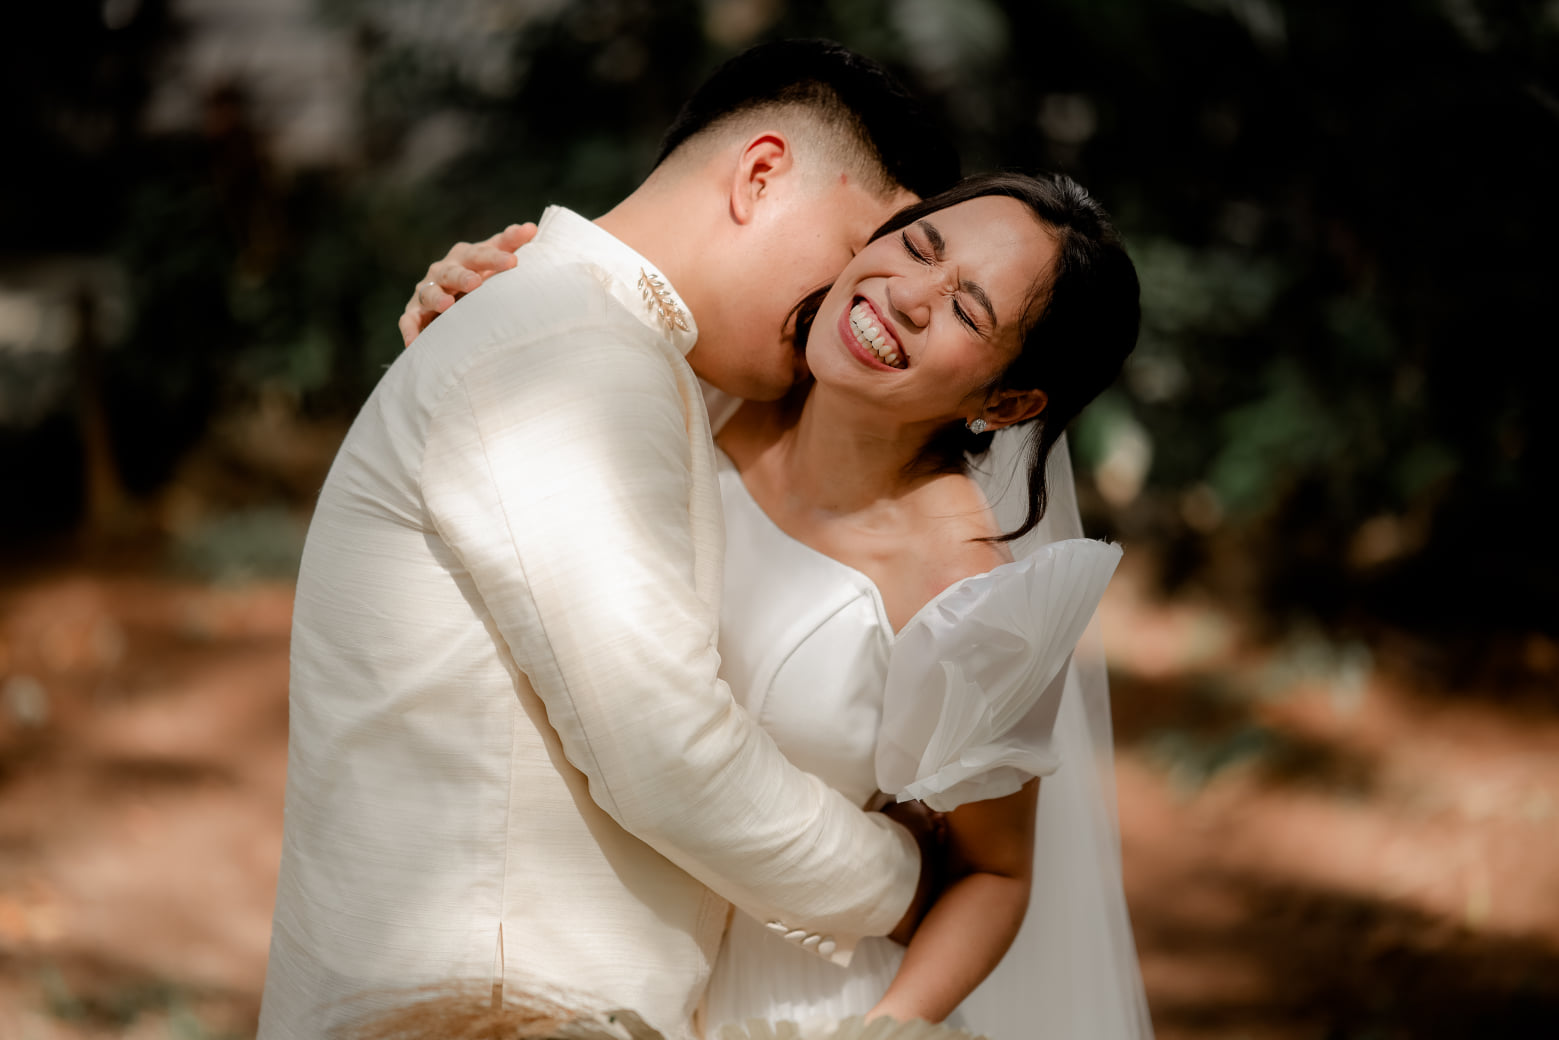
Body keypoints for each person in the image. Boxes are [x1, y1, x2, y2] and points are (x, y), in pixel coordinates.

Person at [258, 40, 962, 1040]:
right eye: (857, 249)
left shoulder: (588, 335)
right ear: (761, 175)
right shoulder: (573, 348)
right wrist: (906, 878)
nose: (854, 297)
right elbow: (666, 751)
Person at [406, 173, 1155, 1038]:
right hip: (573, 936)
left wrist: (886, 1026)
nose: (909, 297)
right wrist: (468, 308)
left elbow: (994, 876)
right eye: (918, 247)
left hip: (791, 1003)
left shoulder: (968, 597)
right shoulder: (700, 379)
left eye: (966, 310)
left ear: (1007, 401)